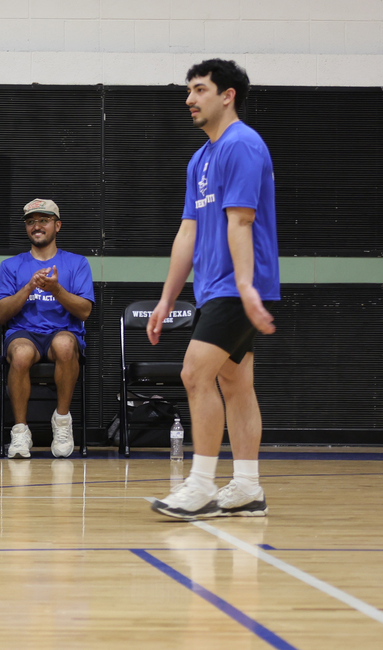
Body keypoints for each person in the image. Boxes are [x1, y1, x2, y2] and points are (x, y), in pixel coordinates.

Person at [148, 59, 279, 520]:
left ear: (228, 96)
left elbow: (241, 220)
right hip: (213, 288)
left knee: (194, 374)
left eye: (200, 89)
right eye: (189, 90)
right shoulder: (200, 159)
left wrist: (245, 286)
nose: (189, 99)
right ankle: (247, 486)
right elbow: (188, 232)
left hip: (238, 287)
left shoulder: (242, 145)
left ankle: (201, 485)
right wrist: (166, 299)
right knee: (234, 382)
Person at [0, 198, 94, 459]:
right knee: (22, 353)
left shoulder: (77, 263)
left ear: (57, 225)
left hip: (62, 331)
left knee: (64, 344)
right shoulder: (11, 265)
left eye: (43, 220)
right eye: (30, 222)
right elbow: (0, 315)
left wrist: (56, 289)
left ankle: (62, 422)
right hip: (24, 332)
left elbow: (84, 311)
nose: (36, 226)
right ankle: (20, 430)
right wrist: (28, 288)